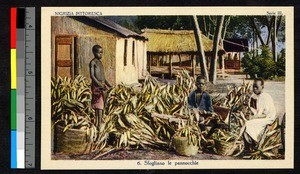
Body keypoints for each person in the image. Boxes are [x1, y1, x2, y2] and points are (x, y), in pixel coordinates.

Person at [243, 78, 276, 150]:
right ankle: (250, 145)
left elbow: (265, 114)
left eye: (256, 87)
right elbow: (253, 109)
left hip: (268, 118)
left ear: (262, 87)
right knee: (246, 122)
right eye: (253, 87)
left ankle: (251, 145)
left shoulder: (266, 97)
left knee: (249, 123)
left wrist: (254, 117)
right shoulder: (253, 97)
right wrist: (250, 114)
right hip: (259, 116)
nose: (254, 89)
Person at [89, 44, 112, 130]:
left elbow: (103, 77)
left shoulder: (100, 63)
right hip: (96, 86)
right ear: (94, 53)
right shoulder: (93, 62)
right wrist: (99, 84)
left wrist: (108, 84)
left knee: (102, 104)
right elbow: (92, 76)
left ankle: (100, 121)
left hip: (101, 85)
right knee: (99, 105)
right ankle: (98, 124)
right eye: (99, 53)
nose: (101, 54)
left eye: (102, 53)